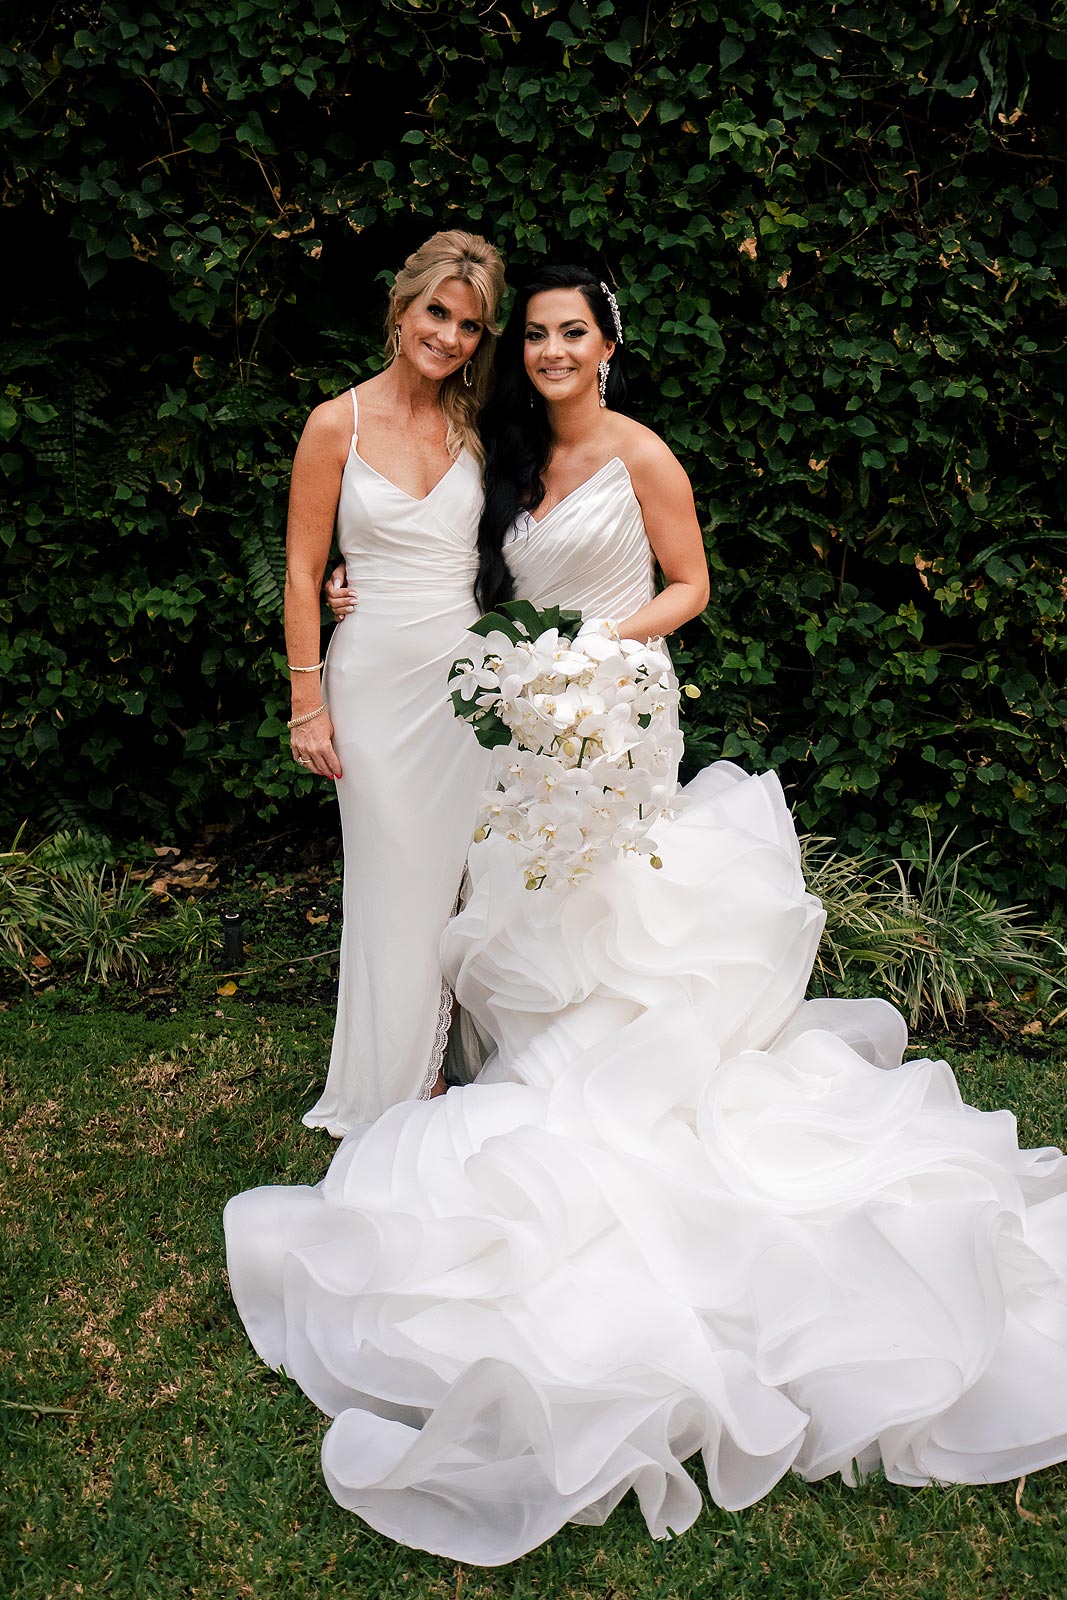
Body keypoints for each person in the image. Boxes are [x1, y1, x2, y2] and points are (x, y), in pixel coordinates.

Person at [226, 267, 1067, 1566]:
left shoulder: (637, 453)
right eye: (539, 332)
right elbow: (465, 571)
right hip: (518, 718)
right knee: (524, 913)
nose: (551, 348)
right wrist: (365, 605)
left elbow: (685, 586)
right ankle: (488, 1087)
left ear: (606, 347)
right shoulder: (507, 452)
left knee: (616, 913)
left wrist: (595, 655)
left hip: (610, 715)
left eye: (572, 331)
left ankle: (607, 1103)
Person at [285, 229, 506, 1134]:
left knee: (469, 878)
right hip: (372, 680)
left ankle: (472, 1066)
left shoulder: (478, 428)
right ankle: (397, 1089)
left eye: (469, 326)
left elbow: (504, 553)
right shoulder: (335, 422)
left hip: (466, 682)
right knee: (390, 877)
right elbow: (303, 572)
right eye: (437, 313)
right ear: (402, 308)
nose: (449, 337)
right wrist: (307, 702)